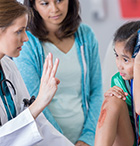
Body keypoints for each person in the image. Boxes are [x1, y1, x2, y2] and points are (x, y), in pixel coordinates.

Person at [13, 0, 103, 145]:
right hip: (48, 139)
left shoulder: (86, 35)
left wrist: (88, 137)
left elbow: (97, 90)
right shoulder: (26, 43)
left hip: (86, 138)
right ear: (34, 6)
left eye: (59, 1)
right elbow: (34, 99)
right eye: (45, 3)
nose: (54, 9)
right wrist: (62, 141)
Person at [0, 0, 74, 145]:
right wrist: (40, 102)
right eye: (19, 31)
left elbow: (37, 125)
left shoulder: (9, 66)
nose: (26, 38)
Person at [94, 20, 140, 146]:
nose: (119, 65)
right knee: (112, 100)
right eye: (116, 56)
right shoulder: (119, 80)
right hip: (133, 140)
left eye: (125, 60)